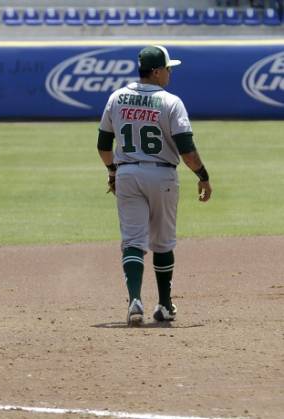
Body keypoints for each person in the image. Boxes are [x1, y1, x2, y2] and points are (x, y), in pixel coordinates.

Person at [96, 45, 212, 326]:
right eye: (168, 69)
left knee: (133, 242)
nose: (170, 73)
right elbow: (186, 149)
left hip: (127, 174)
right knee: (163, 242)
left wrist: (113, 171)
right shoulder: (170, 102)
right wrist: (203, 175)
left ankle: (135, 300)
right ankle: (163, 305)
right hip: (162, 175)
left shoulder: (117, 97)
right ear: (157, 71)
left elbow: (103, 145)